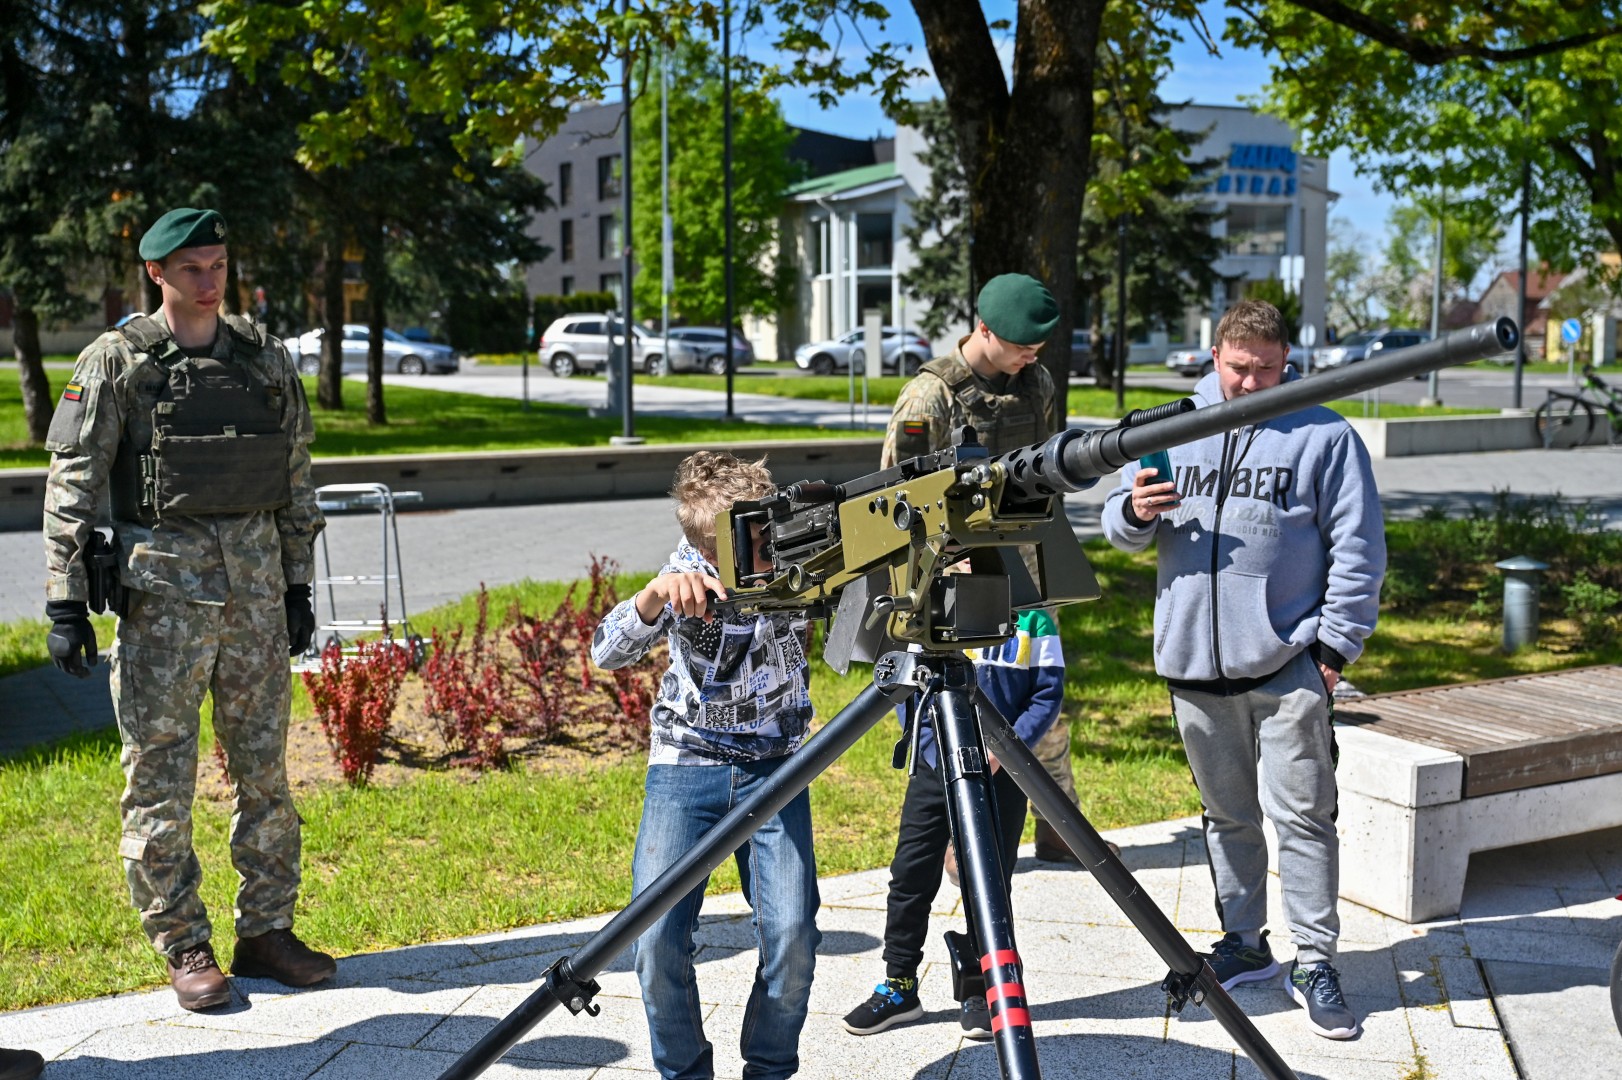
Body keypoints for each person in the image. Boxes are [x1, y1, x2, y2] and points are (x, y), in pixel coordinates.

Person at [42, 207, 335, 1011]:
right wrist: (66, 601)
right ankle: (182, 943)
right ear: (157, 273)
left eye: (219, 265)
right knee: (160, 779)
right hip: (163, 606)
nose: (210, 283)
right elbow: (72, 481)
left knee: (265, 775)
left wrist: (298, 586)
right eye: (192, 269)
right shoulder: (116, 362)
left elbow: (295, 475)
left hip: (255, 604)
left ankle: (267, 931)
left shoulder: (264, 357)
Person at [1100, 298, 1385, 1040]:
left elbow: (1359, 552)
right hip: (1192, 667)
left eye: (1266, 369)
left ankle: (1315, 961)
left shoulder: (1324, 436)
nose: (1252, 383)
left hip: (1289, 665)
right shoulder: (1168, 427)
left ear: (1287, 361)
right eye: (1238, 369)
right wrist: (1134, 512)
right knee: (1227, 815)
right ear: (1214, 357)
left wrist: (1333, 652)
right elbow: (1115, 525)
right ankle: (1244, 942)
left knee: (1303, 817)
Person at [590, 450, 819, 1080]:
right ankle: (686, 1073)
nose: (768, 546)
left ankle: (769, 1069)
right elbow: (604, 652)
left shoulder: (796, 558)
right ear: (709, 544)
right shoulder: (682, 577)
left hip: (775, 767)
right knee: (654, 940)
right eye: (753, 540)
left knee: (794, 938)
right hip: (686, 764)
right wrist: (651, 598)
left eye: (769, 528)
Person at [880, 272, 1090, 864]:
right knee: (957, 703)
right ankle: (959, 830)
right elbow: (896, 501)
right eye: (1022, 346)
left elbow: (1045, 471)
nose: (1032, 357)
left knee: (1038, 697)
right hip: (952, 576)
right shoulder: (929, 397)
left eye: (1039, 347)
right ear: (984, 329)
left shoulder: (1037, 383)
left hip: (1024, 569)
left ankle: (1059, 822)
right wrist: (949, 563)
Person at [842, 603, 1065, 1040]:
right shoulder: (926, 609)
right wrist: (933, 749)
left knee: (991, 884)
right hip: (936, 765)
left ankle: (983, 990)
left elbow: (1046, 696)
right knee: (910, 874)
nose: (965, 566)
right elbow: (908, 688)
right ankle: (899, 985)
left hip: (1003, 772)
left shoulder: (1034, 621)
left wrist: (1001, 752)